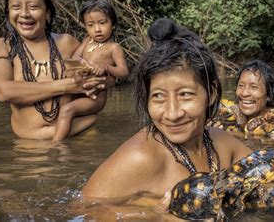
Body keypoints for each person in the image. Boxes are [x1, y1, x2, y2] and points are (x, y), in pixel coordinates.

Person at [82, 19, 252, 200]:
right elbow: (84, 211)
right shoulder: (139, 158)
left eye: (185, 94)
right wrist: (156, 215)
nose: (172, 114)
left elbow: (269, 175)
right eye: (158, 96)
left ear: (211, 93)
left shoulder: (223, 143)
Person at [0, 0, 111, 140]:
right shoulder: (2, 46)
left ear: (47, 12)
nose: (24, 13)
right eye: (16, 7)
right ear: (8, 13)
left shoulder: (68, 43)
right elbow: (3, 92)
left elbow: (102, 79)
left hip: (80, 136)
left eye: (33, 7)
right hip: (29, 148)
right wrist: (67, 86)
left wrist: (100, 80)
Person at [52, 0, 129, 141]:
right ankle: (82, 130)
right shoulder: (87, 41)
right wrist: (82, 65)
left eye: (102, 23)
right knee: (60, 103)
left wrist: (107, 68)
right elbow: (75, 57)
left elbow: (124, 72)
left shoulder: (114, 47)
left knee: (67, 109)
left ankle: (56, 145)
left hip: (95, 99)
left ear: (113, 24)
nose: (97, 29)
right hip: (79, 91)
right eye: (91, 25)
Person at [234, 59, 274, 138]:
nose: (244, 93)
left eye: (254, 87)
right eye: (241, 86)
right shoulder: (231, 114)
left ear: (269, 95)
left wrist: (232, 135)